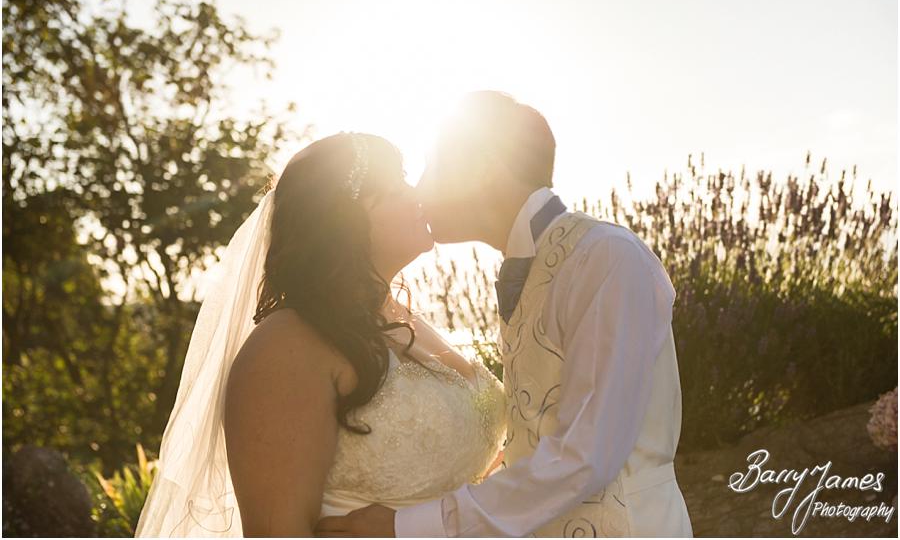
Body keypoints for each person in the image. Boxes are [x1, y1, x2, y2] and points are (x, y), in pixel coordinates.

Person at [315, 91, 694, 537]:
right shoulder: (533, 266)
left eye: (431, 168)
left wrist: (406, 527)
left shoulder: (604, 257)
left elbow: (587, 453)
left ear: (482, 168)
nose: (417, 188)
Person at [134, 132, 507, 537]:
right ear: (344, 216)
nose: (416, 193)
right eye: (397, 184)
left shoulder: (409, 322)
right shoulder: (286, 347)